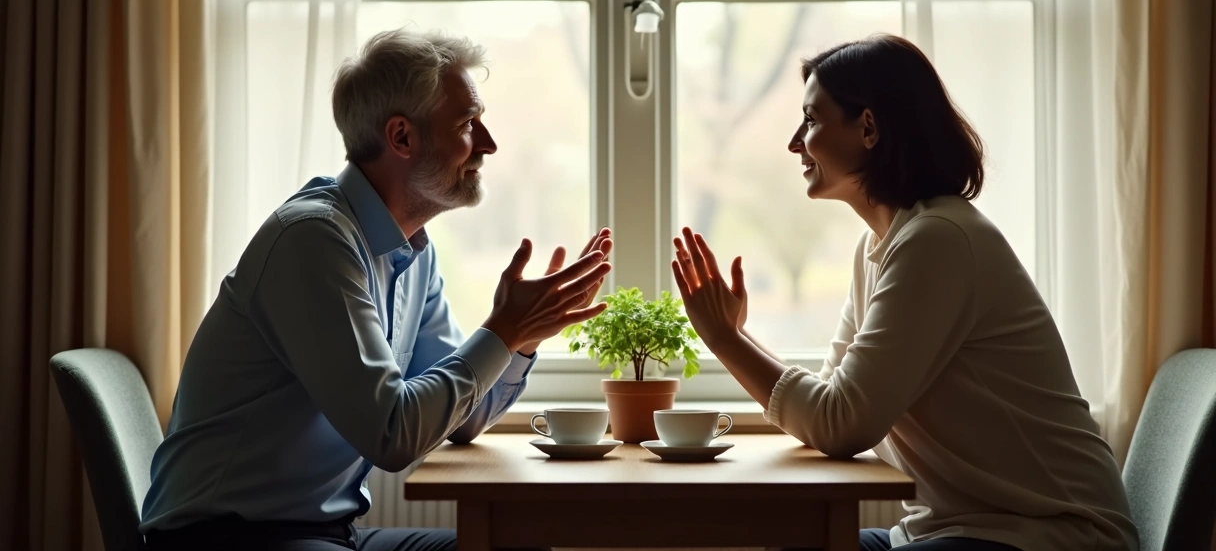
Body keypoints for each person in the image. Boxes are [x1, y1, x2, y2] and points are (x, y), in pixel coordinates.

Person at [140, 29, 613, 551]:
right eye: (466, 123)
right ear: (402, 138)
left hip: (326, 535)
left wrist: (523, 339)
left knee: (514, 542)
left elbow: (463, 419)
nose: (488, 143)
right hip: (227, 539)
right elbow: (393, 434)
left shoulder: (414, 252)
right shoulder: (314, 242)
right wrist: (503, 329)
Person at [670, 34, 1138, 551]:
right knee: (796, 541)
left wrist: (724, 340)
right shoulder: (881, 246)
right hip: (951, 531)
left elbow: (838, 424)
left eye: (811, 119)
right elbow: (832, 400)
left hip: (1049, 535)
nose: (794, 142)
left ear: (868, 127)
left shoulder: (938, 241)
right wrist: (735, 334)